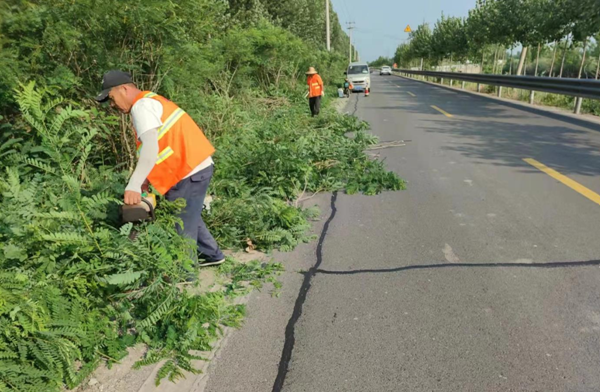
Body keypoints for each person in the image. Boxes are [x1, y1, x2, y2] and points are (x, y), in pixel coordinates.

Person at [95, 70, 225, 267]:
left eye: (111, 99)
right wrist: (146, 178)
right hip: (193, 167)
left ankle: (186, 273)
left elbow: (150, 147)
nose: (112, 106)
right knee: (188, 216)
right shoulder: (149, 101)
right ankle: (212, 255)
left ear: (123, 89)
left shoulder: (141, 107)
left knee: (180, 224)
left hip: (188, 171)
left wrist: (134, 184)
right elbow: (161, 145)